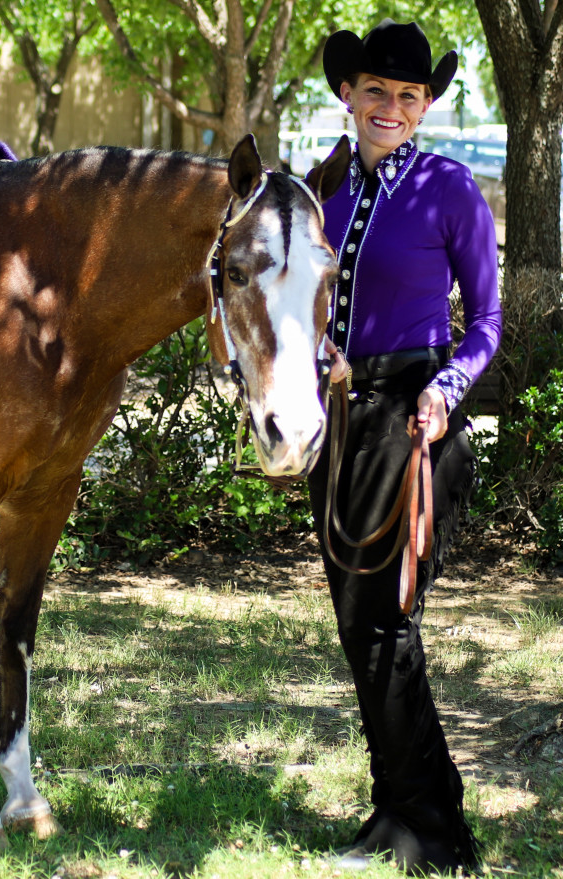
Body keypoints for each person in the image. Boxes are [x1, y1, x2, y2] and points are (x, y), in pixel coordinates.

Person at [309, 19, 502, 875]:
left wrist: (446, 391)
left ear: (425, 106)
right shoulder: (324, 188)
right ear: (348, 95)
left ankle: (433, 826)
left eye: (408, 95)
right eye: (377, 91)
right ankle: (397, 810)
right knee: (359, 626)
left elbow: (488, 323)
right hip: (341, 419)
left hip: (416, 415)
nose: (390, 107)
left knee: (387, 622)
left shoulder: (451, 190)